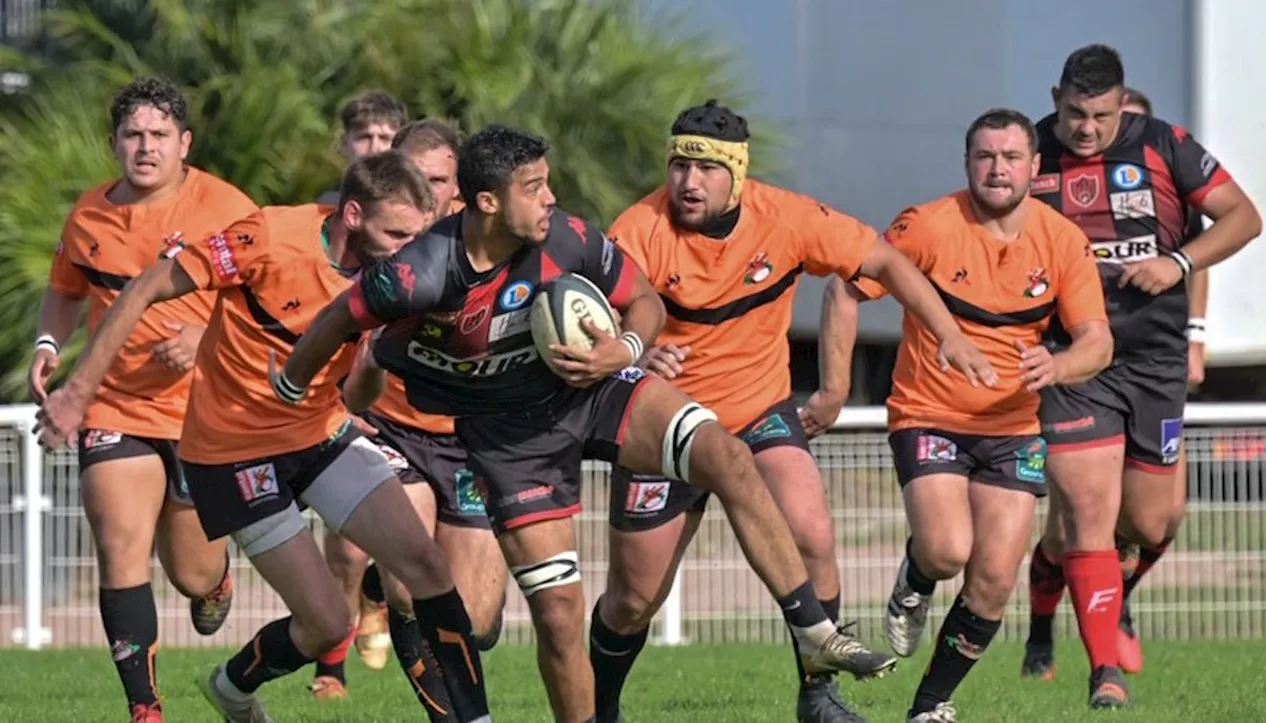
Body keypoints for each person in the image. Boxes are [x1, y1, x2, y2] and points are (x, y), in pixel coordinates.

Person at [275, 123, 997, 722]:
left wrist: (624, 346)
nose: (552, 197)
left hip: (595, 387)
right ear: (488, 202)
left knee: (725, 452)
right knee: (554, 618)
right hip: (511, 440)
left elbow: (643, 299)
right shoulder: (416, 278)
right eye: (535, 188)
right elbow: (340, 322)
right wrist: (298, 383)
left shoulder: (570, 238)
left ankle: (813, 635)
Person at [35, 152, 493, 723]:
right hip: (234, 455)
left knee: (425, 565)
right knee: (327, 624)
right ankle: (231, 688)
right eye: (395, 232)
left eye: (417, 235)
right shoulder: (270, 235)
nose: (409, 250)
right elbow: (146, 287)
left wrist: (377, 356)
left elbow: (357, 398)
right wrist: (78, 390)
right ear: (352, 214)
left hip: (322, 433)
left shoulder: (403, 278)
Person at [590, 100, 911, 723]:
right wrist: (637, 358)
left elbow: (870, 267)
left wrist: (836, 386)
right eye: (679, 164)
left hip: (757, 412)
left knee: (813, 535)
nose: (688, 181)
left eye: (706, 168)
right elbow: (601, 324)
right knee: (633, 600)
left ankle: (819, 701)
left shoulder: (785, 217)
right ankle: (598, 709)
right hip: (664, 428)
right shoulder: (638, 229)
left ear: (736, 173)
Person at [825, 108, 1112, 722]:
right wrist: (834, 388)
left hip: (1013, 428)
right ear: (967, 164)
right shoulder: (928, 224)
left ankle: (931, 706)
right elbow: (846, 288)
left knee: (993, 580)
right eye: (985, 157)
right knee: (949, 549)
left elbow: (1098, 342)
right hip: (929, 414)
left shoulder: (1062, 241)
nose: (997, 169)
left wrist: (1058, 367)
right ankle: (918, 573)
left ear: (1035, 167)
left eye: (1011, 157)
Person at [1020, 45, 1262, 708]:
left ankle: (1052, 578)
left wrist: (1179, 264)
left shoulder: (1165, 146)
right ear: (1055, 97)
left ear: (1122, 104)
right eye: (1074, 113)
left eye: (1100, 115)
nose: (1087, 128)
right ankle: (1105, 672)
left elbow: (1246, 217)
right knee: (1090, 515)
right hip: (1074, 360)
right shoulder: (1031, 151)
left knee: (1154, 524)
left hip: (1154, 362)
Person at [28, 77, 256, 723]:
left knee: (190, 570)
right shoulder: (90, 215)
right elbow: (66, 290)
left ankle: (215, 579)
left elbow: (270, 300)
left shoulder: (227, 207)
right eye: (133, 134)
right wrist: (49, 343)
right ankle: (144, 707)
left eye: (160, 135)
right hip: (114, 405)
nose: (146, 146)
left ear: (185, 143)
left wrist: (205, 333)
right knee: (120, 541)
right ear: (114, 143)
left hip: (202, 409)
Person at [340, 119, 509, 718]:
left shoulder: (494, 238)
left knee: (478, 622)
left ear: (460, 188)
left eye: (437, 180)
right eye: (414, 178)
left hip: (468, 440)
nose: (426, 193)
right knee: (414, 583)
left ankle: (373, 588)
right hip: (391, 432)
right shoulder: (375, 239)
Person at [310, 89, 409, 691]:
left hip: (410, 402)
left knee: (404, 553)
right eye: (363, 138)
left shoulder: (427, 223)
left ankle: (377, 593)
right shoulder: (327, 216)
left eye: (384, 137)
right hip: (346, 399)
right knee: (345, 548)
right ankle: (331, 666)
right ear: (346, 146)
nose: (374, 147)